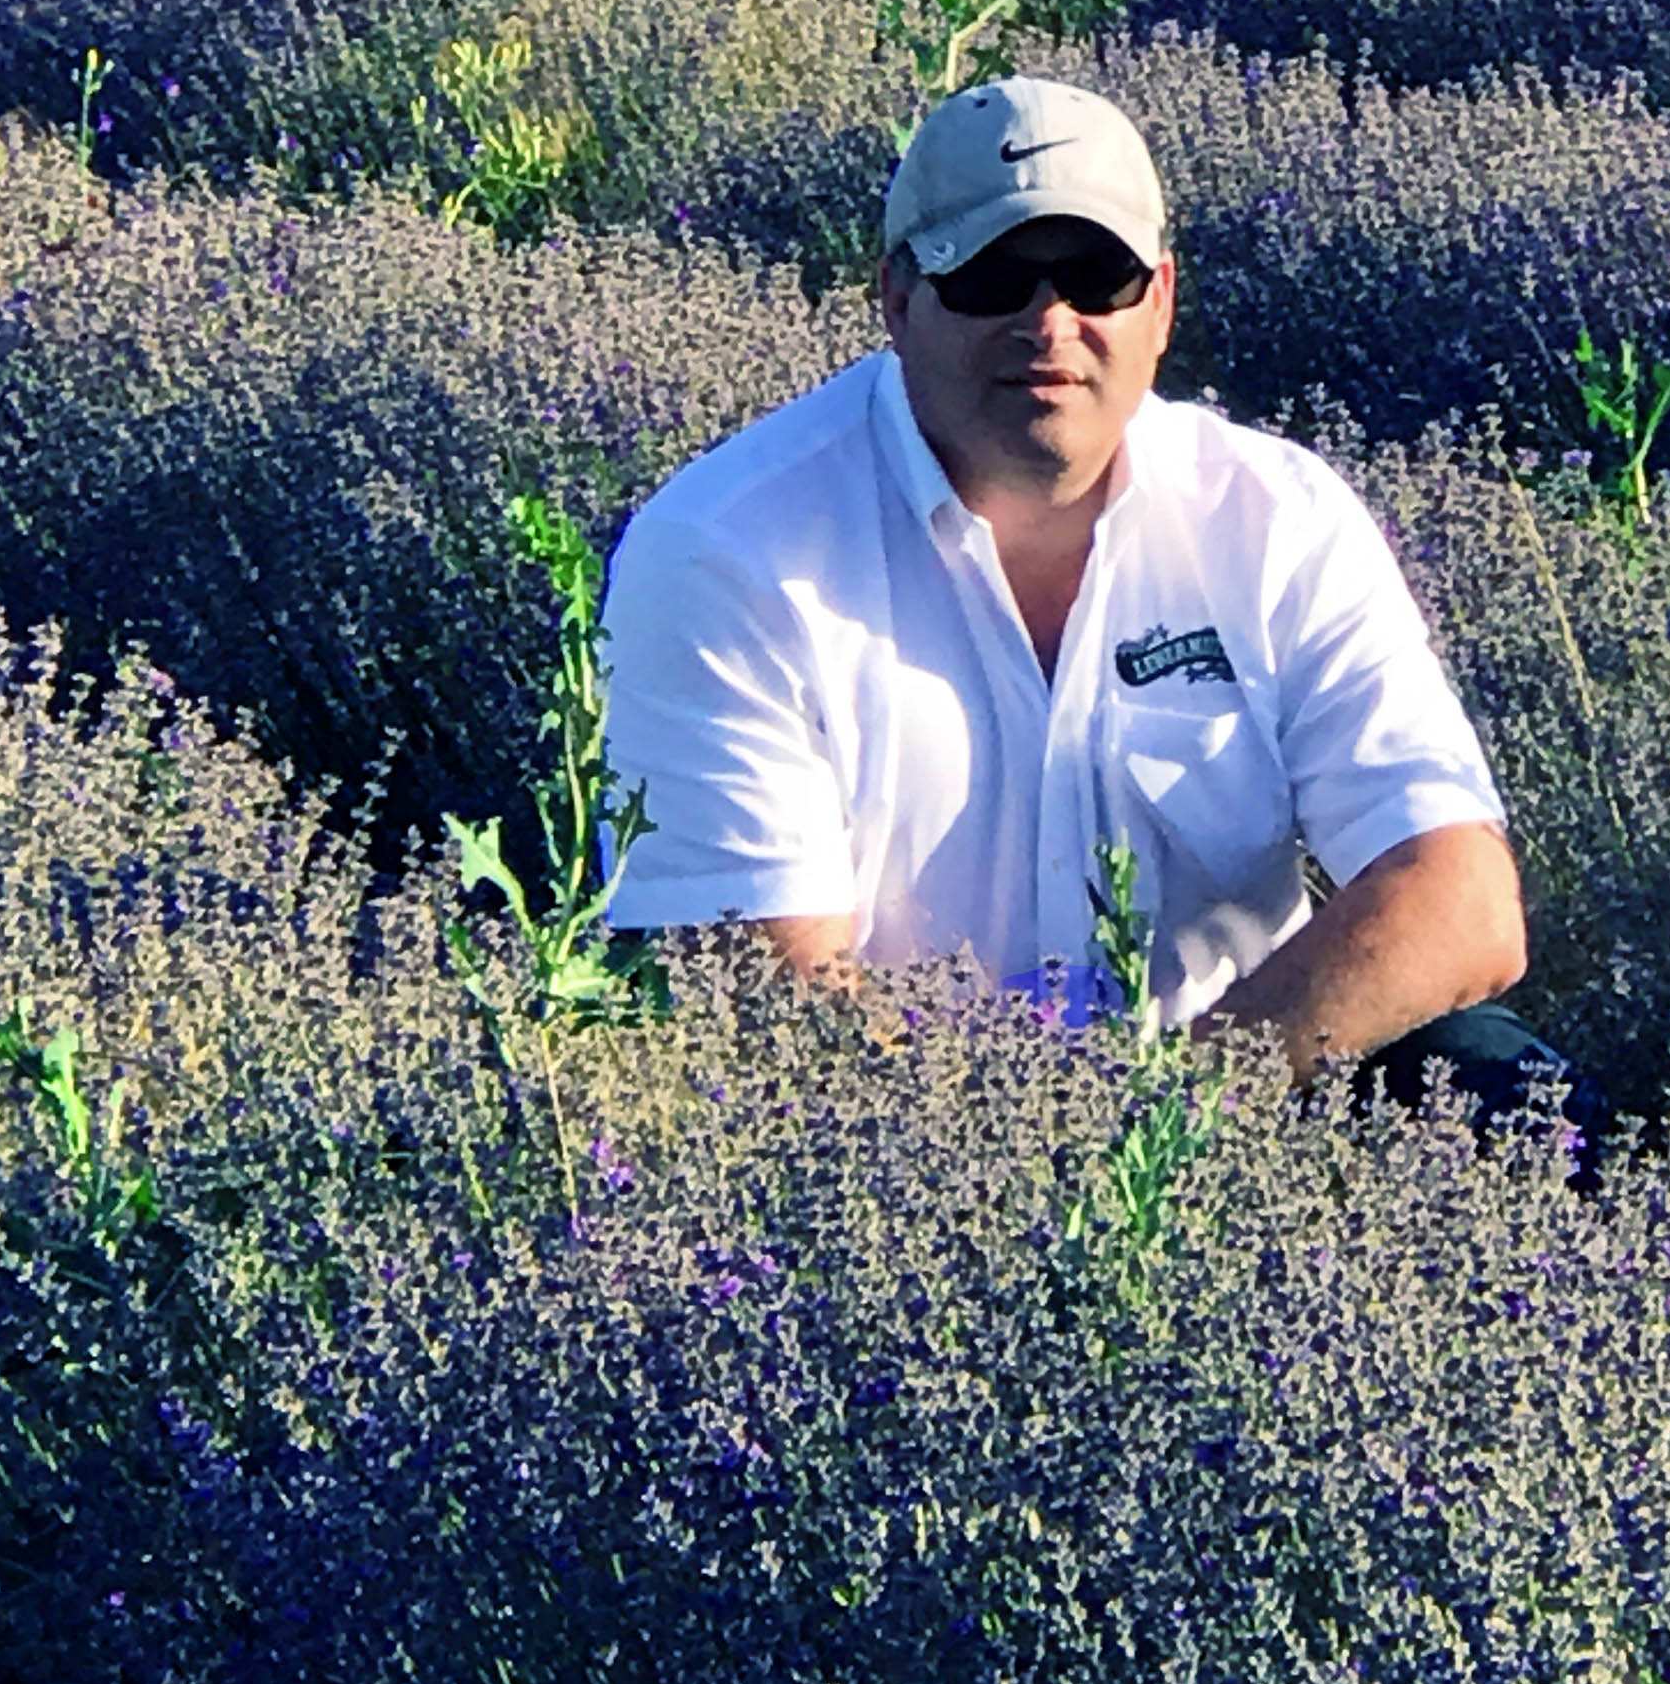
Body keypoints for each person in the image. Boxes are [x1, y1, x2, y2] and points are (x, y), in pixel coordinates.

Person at [600, 73, 1596, 1139]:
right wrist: (1008, 1179)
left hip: (1232, 1109)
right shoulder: (727, 550)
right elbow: (769, 999)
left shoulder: (1274, 520)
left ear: (1160, 302)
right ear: (896, 297)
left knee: (1501, 1087)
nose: (1049, 321)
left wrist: (1157, 1135)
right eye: (991, 277)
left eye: (1096, 276)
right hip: (881, 1151)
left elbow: (1459, 897)